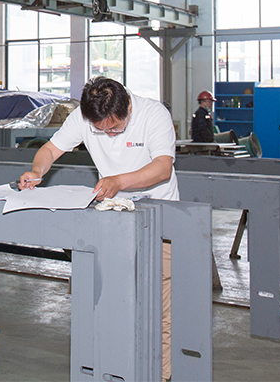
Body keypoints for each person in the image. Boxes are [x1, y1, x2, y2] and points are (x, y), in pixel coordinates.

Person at [18, 76, 177, 381]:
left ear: (127, 108)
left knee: (159, 309)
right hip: (112, 220)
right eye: (100, 130)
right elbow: (50, 150)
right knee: (109, 300)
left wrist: (119, 181)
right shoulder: (84, 118)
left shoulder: (153, 114)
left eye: (114, 128)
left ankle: (160, 374)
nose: (108, 135)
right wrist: (37, 171)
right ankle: (113, 369)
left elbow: (162, 168)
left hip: (158, 219)